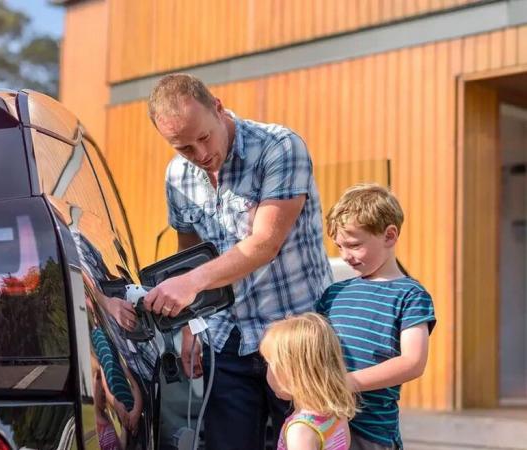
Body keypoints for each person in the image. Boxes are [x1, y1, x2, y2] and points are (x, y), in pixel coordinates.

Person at [143, 73, 333, 450]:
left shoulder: (279, 147)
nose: (200, 155)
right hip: (226, 337)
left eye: (204, 137)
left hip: (296, 336)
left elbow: (264, 243)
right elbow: (189, 258)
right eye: (184, 148)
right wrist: (189, 325)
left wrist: (191, 283)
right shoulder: (178, 176)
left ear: (218, 107)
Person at [316, 183, 436, 450]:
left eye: (354, 245)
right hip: (325, 424)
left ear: (389, 236)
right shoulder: (333, 293)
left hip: (372, 434)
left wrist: (345, 383)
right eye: (339, 247)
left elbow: (413, 362)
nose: (345, 256)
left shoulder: (411, 295)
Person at [260, 313, 356, 450]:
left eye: (268, 363)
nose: (267, 370)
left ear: (293, 374)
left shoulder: (300, 431)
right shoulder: (337, 410)